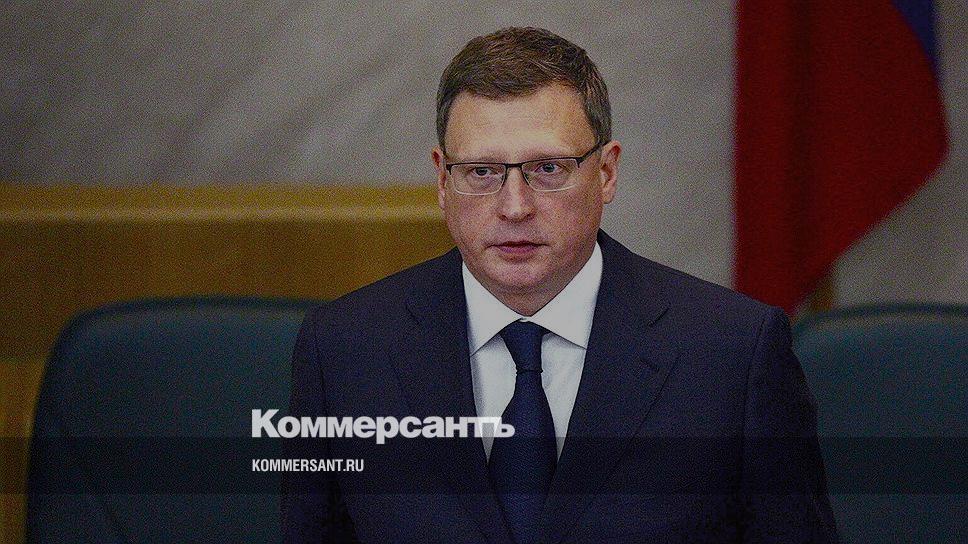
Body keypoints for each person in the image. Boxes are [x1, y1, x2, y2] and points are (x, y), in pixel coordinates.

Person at [282, 26, 839, 543]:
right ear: (442, 182)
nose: (514, 207)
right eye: (481, 172)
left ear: (606, 173)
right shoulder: (344, 350)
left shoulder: (732, 355)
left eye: (548, 169)